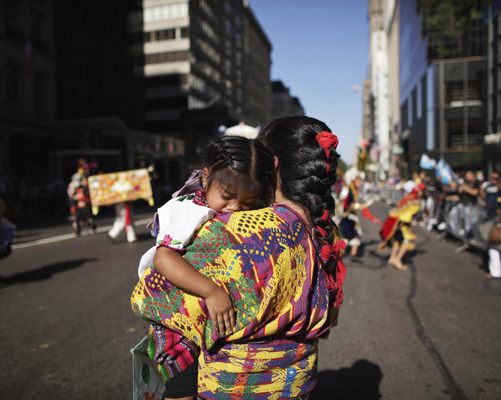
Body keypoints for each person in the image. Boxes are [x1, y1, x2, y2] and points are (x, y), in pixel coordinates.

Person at [132, 116, 346, 399]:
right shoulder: (326, 231)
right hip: (297, 385)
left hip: (230, 387)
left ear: (273, 166)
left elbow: (155, 300)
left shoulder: (232, 230)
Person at [136, 135, 274, 399]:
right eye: (227, 196)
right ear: (206, 177)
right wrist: (212, 292)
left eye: (248, 202)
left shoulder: (217, 207)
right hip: (170, 307)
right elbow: (164, 258)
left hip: (193, 306)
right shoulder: (190, 209)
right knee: (182, 378)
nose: (235, 208)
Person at [378, 183, 424, 271]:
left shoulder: (409, 196)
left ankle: (392, 258)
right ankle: (397, 260)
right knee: (407, 241)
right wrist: (404, 226)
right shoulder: (414, 200)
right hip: (402, 223)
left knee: (397, 240)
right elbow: (406, 215)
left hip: (398, 222)